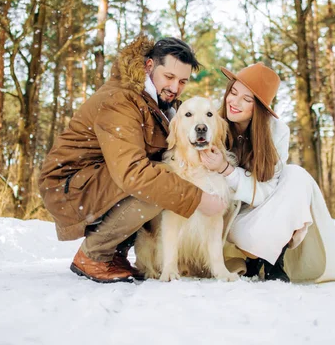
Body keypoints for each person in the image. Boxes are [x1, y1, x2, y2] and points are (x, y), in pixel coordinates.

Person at [39, 35, 227, 283]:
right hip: (70, 185)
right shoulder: (121, 100)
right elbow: (132, 173)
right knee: (162, 180)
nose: (175, 87)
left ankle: (115, 253)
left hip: (97, 180)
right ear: (149, 66)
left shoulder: (159, 104)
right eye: (168, 77)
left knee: (163, 176)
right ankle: (93, 254)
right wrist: (197, 197)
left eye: (182, 81)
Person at [200, 63, 335, 283]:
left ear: (259, 108)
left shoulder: (276, 132)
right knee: (249, 234)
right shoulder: (213, 123)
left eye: (247, 99)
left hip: (265, 212)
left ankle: (275, 258)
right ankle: (251, 256)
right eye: (233, 93)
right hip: (229, 219)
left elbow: (266, 191)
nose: (234, 102)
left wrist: (226, 170)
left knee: (298, 175)